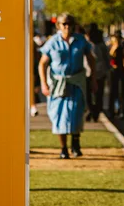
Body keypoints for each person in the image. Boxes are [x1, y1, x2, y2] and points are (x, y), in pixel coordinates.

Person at [38, 13, 97, 158]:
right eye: (64, 24)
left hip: (76, 81)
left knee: (76, 113)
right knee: (58, 115)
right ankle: (63, 148)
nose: (67, 27)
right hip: (58, 83)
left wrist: (93, 79)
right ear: (58, 25)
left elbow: (91, 60)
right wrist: (44, 84)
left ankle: (75, 143)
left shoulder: (81, 40)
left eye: (69, 23)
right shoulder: (53, 42)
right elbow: (42, 63)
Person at [87, 25, 110, 122]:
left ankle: (93, 110)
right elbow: (107, 59)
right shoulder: (100, 45)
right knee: (97, 94)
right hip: (97, 72)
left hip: (93, 72)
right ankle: (95, 110)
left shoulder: (90, 45)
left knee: (91, 93)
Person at [108, 33, 124, 118]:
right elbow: (109, 57)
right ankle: (112, 111)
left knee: (122, 91)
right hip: (112, 71)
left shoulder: (122, 48)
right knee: (113, 91)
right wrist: (113, 48)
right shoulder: (110, 48)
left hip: (120, 71)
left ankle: (122, 111)